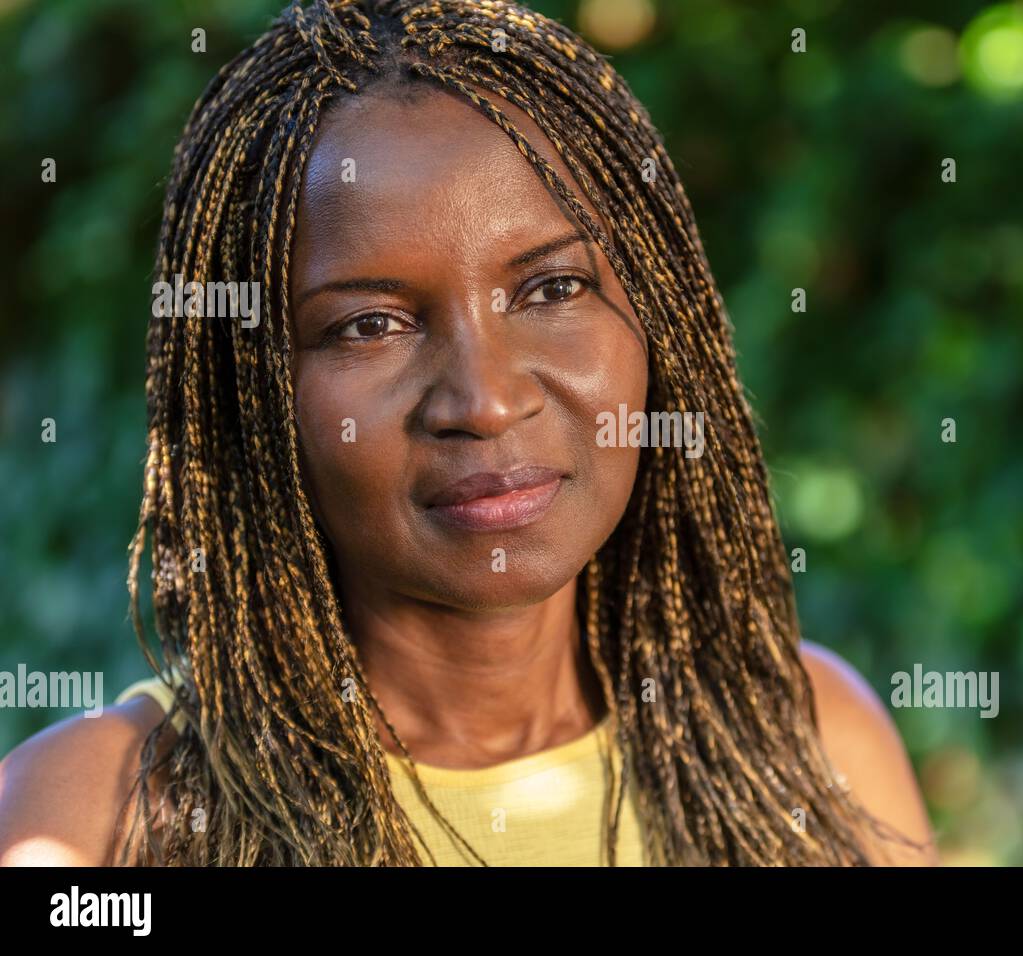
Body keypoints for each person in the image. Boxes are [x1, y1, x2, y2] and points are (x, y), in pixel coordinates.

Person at [0, 0, 934, 866]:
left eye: (552, 289)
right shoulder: (100, 818)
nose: (483, 401)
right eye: (369, 325)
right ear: (257, 396)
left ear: (660, 320)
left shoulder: (807, 741)